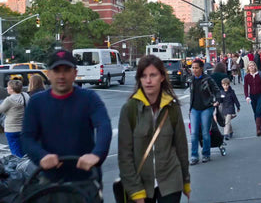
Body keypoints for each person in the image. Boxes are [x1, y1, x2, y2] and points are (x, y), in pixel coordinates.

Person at [22, 49, 112, 184]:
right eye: (57, 70)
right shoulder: (36, 102)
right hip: (50, 179)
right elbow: (27, 137)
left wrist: (97, 154)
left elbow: (103, 125)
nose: (61, 76)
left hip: (85, 178)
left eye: (66, 70)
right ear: (48, 74)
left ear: (75, 73)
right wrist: (41, 156)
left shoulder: (89, 98)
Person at [118, 55, 190, 202]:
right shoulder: (130, 109)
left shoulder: (172, 107)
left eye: (153, 75)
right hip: (141, 183)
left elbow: (181, 146)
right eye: (143, 76)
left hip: (170, 180)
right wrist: (135, 190)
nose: (148, 81)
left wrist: (186, 180)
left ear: (162, 77)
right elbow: (125, 154)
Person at [189, 59, 221, 165]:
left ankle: (206, 154)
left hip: (206, 108)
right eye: (193, 68)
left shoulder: (208, 79)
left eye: (196, 68)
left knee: (205, 132)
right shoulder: (192, 79)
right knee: (193, 134)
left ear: (201, 68)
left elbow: (216, 90)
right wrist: (190, 109)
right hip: (194, 109)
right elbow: (192, 96)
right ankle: (194, 156)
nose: (194, 70)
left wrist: (217, 101)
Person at [0, 80, 29, 157]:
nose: (7, 88)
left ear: (12, 89)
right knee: (24, 150)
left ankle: (18, 166)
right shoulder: (25, 95)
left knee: (15, 151)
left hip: (11, 129)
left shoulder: (9, 100)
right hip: (23, 127)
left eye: (8, 87)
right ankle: (25, 166)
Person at [244, 61, 261, 136]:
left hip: (260, 95)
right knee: (255, 112)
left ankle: (258, 129)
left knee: (258, 111)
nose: (251, 67)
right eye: (250, 66)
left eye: (253, 65)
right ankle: (258, 127)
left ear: (255, 66)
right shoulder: (247, 76)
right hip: (252, 96)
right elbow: (246, 88)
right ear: (248, 68)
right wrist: (247, 97)